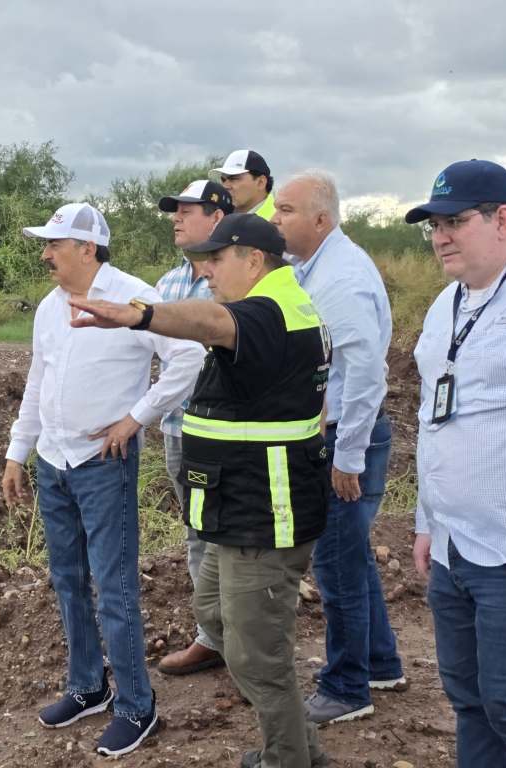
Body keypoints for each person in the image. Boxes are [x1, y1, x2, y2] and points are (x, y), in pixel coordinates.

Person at [70, 213, 331, 768]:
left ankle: (289, 758)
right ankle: (300, 748)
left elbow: (209, 323)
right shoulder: (282, 307)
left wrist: (140, 315)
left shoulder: (267, 312)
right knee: (214, 612)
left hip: (264, 519)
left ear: (253, 260)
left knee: (257, 657)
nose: (204, 270)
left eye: (216, 260)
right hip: (237, 511)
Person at [1, 202, 205, 757]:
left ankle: (138, 706)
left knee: (113, 587)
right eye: (45, 244)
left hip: (103, 464)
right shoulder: (50, 307)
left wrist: (137, 417)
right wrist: (18, 453)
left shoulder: (134, 297)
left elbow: (188, 357)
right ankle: (88, 686)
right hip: (55, 461)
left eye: (55, 244)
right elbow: (37, 383)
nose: (45, 254)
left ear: (87, 248)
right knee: (67, 580)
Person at [408, 159, 506, 767]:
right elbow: (433, 420)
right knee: (470, 700)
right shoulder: (445, 304)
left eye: (455, 221)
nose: (440, 237)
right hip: (454, 547)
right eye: (433, 225)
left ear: (502, 218)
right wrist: (426, 523)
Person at [272, 170, 406, 726]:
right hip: (342, 435)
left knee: (336, 567)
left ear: (321, 220)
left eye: (285, 210)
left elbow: (366, 374)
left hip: (345, 439)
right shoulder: (314, 269)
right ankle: (379, 662)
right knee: (348, 558)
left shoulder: (342, 278)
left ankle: (347, 687)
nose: (275, 219)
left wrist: (347, 457)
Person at [154, 179, 232, 676]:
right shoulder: (165, 285)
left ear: (218, 217)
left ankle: (246, 644)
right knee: (197, 532)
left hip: (228, 434)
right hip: (180, 431)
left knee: (240, 539)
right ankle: (212, 636)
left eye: (188, 210)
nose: (177, 218)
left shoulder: (241, 281)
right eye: (174, 211)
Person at [215, 149, 276, 219]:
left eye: (234, 178)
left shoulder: (277, 221)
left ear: (261, 182)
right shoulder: (219, 216)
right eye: (223, 180)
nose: (225, 186)